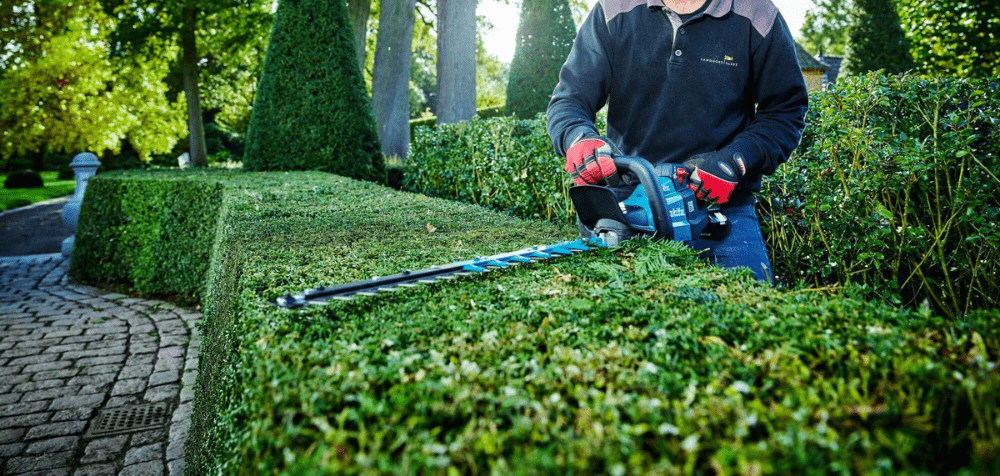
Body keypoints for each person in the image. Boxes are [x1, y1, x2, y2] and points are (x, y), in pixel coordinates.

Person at [547, 0, 809, 283]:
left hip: (718, 214)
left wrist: (738, 158)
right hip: (629, 204)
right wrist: (578, 137)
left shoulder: (756, 12)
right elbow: (569, 99)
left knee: (750, 311)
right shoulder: (615, 9)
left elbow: (786, 110)